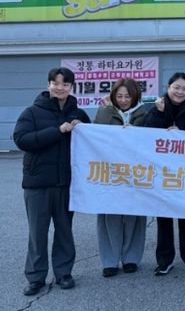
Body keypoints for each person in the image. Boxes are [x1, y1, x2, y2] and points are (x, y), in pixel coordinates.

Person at [13, 67, 91, 296]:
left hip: (67, 183)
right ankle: (35, 278)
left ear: (71, 87)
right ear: (48, 84)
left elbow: (94, 141)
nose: (60, 88)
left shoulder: (78, 114)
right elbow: (22, 139)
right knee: (37, 233)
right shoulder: (32, 112)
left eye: (65, 84)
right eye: (55, 83)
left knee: (64, 231)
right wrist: (58, 130)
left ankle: (63, 273)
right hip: (37, 183)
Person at [143, 72, 185, 276]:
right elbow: (144, 133)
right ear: (168, 88)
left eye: (184, 88)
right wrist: (159, 113)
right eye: (176, 87)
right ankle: (164, 260)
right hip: (162, 171)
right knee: (164, 219)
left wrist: (181, 133)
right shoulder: (156, 107)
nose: (180, 92)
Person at [94, 78, 149, 277]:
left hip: (137, 173)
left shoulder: (145, 113)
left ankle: (131, 258)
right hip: (110, 172)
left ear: (135, 96)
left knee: (134, 216)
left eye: (128, 96)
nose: (124, 100)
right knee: (110, 216)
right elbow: (94, 135)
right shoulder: (105, 111)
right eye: (119, 96)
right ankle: (109, 260)